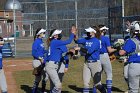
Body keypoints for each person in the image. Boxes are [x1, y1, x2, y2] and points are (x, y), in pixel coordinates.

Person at [74, 27, 106, 93]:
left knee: (97, 84)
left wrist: (80, 48)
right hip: (86, 63)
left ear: (93, 32)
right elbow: (77, 40)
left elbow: (89, 51)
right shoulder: (86, 39)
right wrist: (74, 34)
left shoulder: (96, 41)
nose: (87, 33)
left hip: (95, 64)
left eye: (89, 32)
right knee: (86, 84)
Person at [45, 26, 77, 93]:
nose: (60, 35)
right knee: (58, 86)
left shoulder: (55, 42)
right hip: (51, 66)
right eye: (58, 34)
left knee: (56, 85)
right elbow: (68, 41)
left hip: (53, 65)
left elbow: (62, 54)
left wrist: (70, 52)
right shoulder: (55, 42)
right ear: (55, 36)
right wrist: (72, 33)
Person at [119, 21, 140, 93]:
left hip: (135, 65)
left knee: (133, 90)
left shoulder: (131, 41)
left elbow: (121, 53)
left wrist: (119, 47)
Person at [98, 25, 117, 93]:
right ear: (102, 30)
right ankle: (109, 91)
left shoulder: (95, 38)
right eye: (105, 30)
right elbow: (109, 50)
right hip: (104, 56)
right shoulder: (105, 38)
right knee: (109, 74)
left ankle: (94, 91)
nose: (106, 31)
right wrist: (117, 48)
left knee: (98, 75)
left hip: (97, 57)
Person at [32, 28, 48, 93]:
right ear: (39, 34)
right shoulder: (36, 42)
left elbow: (43, 50)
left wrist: (49, 51)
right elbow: (33, 53)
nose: (44, 34)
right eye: (43, 33)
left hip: (42, 61)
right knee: (38, 79)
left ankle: (43, 91)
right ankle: (34, 91)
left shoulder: (41, 41)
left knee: (46, 77)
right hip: (37, 61)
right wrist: (40, 58)